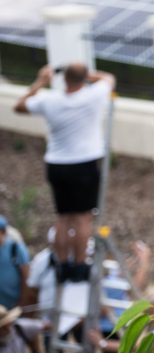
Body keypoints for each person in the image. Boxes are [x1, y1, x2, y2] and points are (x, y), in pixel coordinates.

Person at [13, 63, 116, 282]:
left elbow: (19, 106)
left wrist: (41, 81)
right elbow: (109, 78)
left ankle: (61, 264)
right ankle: (78, 266)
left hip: (57, 165)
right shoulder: (93, 95)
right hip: (83, 165)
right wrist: (90, 75)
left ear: (64, 79)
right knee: (83, 218)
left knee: (63, 217)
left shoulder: (50, 100)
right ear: (84, 78)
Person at [0, 218, 29, 311]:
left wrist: (23, 302)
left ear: (3, 232)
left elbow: (26, 274)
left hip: (14, 305)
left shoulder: (15, 248)